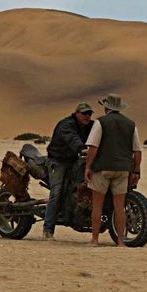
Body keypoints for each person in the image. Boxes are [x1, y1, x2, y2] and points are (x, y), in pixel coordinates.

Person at [84, 93, 141, 247]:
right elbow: (137, 151)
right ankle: (121, 242)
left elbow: (93, 147)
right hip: (123, 170)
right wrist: (136, 171)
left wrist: (88, 166)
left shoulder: (100, 122)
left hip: (102, 168)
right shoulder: (130, 124)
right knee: (119, 206)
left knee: (97, 205)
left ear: (106, 107)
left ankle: (95, 240)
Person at [41, 102, 94, 240]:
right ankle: (47, 230)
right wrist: (81, 148)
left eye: (89, 114)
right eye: (84, 113)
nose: (87, 116)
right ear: (76, 113)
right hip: (58, 161)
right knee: (57, 192)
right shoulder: (66, 124)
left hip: (74, 161)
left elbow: (101, 134)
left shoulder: (90, 126)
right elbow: (71, 138)